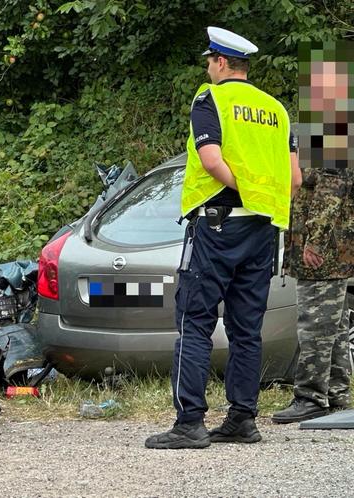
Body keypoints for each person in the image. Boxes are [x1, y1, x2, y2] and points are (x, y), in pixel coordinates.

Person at [145, 26, 302, 449]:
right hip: (262, 228)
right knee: (247, 327)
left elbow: (211, 160)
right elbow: (295, 179)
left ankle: (189, 423)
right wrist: (259, 200)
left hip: (216, 225)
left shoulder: (209, 99)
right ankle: (242, 419)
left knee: (194, 322)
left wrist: (239, 193)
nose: (208, 68)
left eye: (208, 62)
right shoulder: (276, 110)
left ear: (219, 62)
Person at [272, 54, 353, 424]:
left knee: (316, 325)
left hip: (326, 249)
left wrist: (314, 242)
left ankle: (310, 397)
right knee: (333, 326)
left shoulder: (333, 127)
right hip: (334, 248)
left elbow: (330, 193)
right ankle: (336, 392)